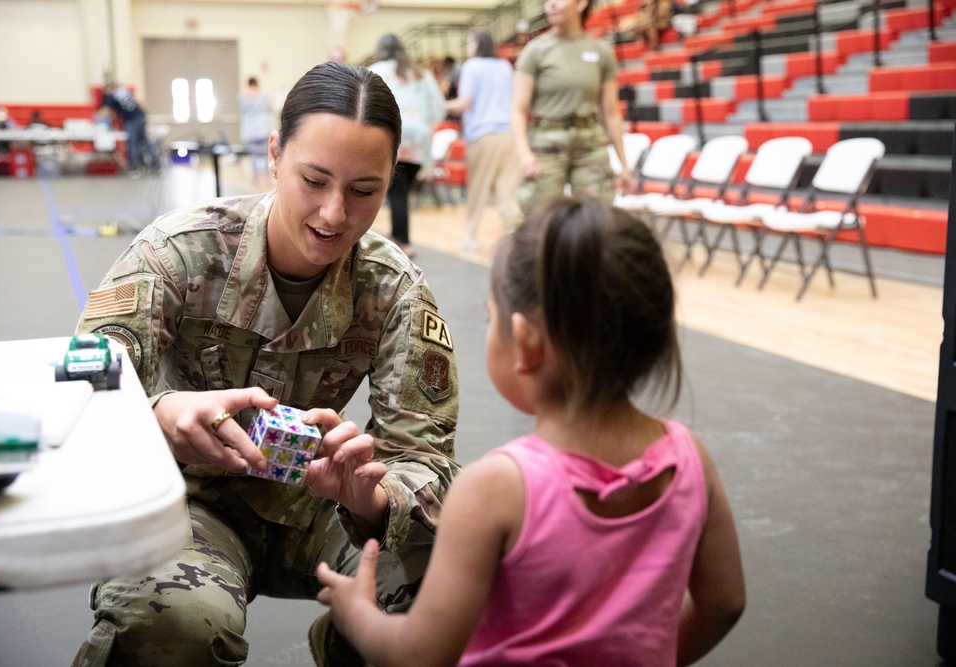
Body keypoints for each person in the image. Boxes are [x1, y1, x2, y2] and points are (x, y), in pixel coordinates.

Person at [70, 61, 460, 667]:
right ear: (275, 156)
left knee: (454, 598)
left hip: (320, 506)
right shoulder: (180, 250)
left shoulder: (395, 290)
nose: (334, 214)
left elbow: (427, 462)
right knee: (171, 625)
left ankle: (349, 644)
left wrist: (373, 498)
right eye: (314, 180)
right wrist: (160, 413)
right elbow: (80, 385)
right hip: (191, 502)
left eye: (364, 191)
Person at [317, 197, 746, 666]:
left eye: (491, 318)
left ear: (525, 342)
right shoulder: (691, 459)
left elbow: (421, 653)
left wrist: (354, 611)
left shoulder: (497, 489)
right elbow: (725, 602)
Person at [510, 0, 632, 209]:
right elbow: (518, 111)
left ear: (581, 4)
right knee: (539, 218)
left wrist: (624, 164)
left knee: (597, 216)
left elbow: (611, 113)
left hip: (590, 145)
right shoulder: (535, 51)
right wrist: (525, 155)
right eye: (548, 1)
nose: (551, 5)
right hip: (547, 144)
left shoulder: (600, 51)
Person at [368, 34, 445, 258]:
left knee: (397, 194)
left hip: (394, 137)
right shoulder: (421, 73)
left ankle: (404, 242)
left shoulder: (378, 70)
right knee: (401, 193)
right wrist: (428, 128)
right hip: (419, 141)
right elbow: (439, 106)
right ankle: (396, 236)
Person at [444, 32, 522, 251]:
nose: (468, 46)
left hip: (483, 135)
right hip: (509, 135)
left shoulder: (472, 66)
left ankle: (471, 235)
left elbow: (465, 103)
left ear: (477, 44)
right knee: (507, 189)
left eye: (469, 42)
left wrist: (442, 105)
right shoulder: (505, 66)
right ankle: (514, 234)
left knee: (478, 187)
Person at [97, 80, 160, 174]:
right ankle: (156, 164)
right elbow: (139, 103)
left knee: (132, 142)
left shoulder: (112, 96)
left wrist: (96, 119)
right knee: (145, 140)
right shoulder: (124, 91)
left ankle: (133, 168)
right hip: (140, 115)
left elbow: (105, 111)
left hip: (131, 119)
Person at [238, 76, 275, 187]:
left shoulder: (244, 96)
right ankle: (267, 177)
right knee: (265, 154)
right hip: (262, 128)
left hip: (253, 131)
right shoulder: (262, 95)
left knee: (254, 155)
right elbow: (269, 109)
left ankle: (256, 179)